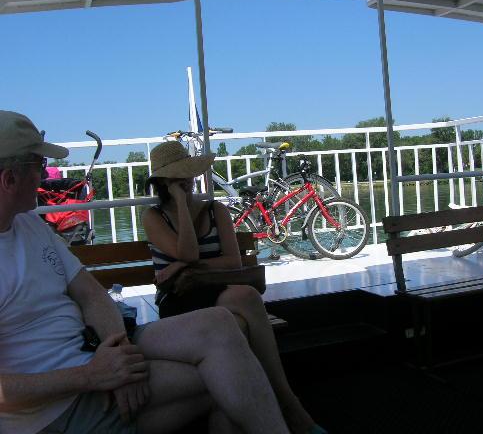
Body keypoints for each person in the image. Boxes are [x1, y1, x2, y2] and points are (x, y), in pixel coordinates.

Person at [0, 110, 291, 434]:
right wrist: (92, 376)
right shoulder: (153, 216)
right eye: (38, 165)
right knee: (225, 379)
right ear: (9, 179)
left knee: (221, 327)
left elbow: (92, 295)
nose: (45, 175)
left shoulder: (30, 226)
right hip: (59, 404)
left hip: (94, 350)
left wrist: (118, 353)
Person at [143, 141, 324, 434]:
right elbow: (188, 252)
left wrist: (184, 267)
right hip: (178, 301)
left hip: (214, 291)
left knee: (245, 300)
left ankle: (265, 406)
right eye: (178, 176)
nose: (187, 180)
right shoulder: (154, 217)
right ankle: (288, 405)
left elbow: (232, 262)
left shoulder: (216, 210)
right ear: (164, 182)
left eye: (188, 173)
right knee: (245, 304)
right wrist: (181, 206)